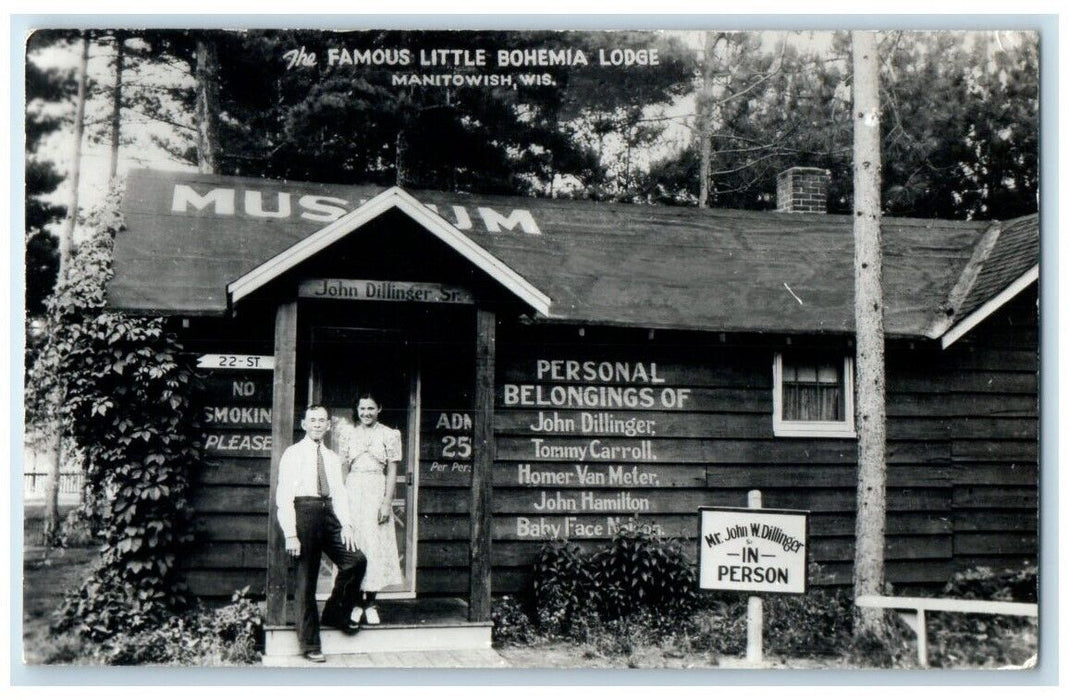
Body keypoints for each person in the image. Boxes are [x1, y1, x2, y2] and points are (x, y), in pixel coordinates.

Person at [275, 405, 367, 663]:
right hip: (304, 513)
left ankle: (335, 614)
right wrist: (291, 534)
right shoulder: (292, 454)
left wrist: (346, 525)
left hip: (329, 515)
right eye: (312, 420)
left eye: (322, 421)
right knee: (307, 579)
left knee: (355, 561)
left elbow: (339, 493)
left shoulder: (332, 458)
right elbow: (283, 497)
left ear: (328, 426)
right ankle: (310, 643)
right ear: (303, 424)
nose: (317, 424)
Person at [337, 392, 405, 625]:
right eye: (362, 408)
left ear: (379, 409)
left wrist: (387, 502)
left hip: (377, 492)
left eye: (371, 408)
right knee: (356, 547)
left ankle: (371, 603)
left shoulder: (389, 434)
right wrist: (343, 502)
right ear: (357, 410)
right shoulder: (348, 434)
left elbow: (393, 471)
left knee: (375, 547)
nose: (366, 413)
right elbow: (343, 469)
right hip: (354, 492)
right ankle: (356, 602)